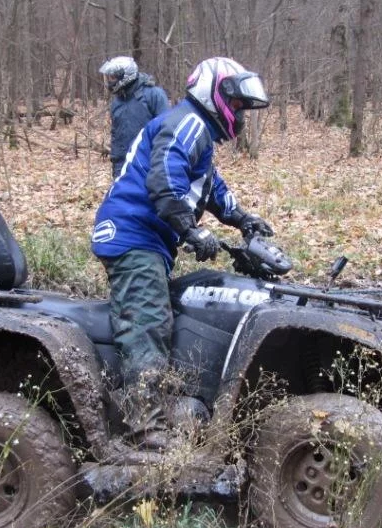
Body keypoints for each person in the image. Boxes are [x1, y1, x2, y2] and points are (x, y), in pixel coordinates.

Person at [90, 56, 275, 449]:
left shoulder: (196, 131)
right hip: (132, 234)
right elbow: (164, 181)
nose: (240, 115)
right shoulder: (187, 124)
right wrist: (192, 231)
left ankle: (174, 399)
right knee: (148, 319)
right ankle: (146, 430)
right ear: (215, 94)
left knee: (175, 308)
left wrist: (243, 219)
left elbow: (210, 188)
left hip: (145, 237)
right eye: (237, 105)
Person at [99, 56, 170, 179]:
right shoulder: (117, 102)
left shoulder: (154, 95)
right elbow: (116, 135)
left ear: (125, 76)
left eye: (113, 77)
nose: (110, 81)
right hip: (123, 165)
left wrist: (159, 166)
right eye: (109, 77)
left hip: (148, 165)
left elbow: (167, 131)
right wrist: (116, 166)